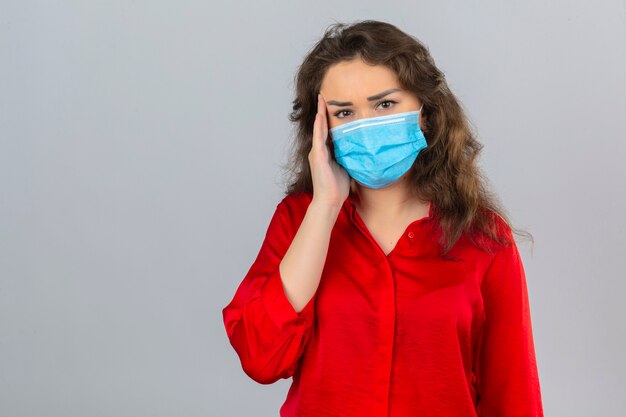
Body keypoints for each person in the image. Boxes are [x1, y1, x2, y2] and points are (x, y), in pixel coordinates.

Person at [222, 20, 544, 417]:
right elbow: (261, 357)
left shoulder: (483, 238)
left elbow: (512, 396)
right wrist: (324, 207)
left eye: (385, 104)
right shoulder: (298, 221)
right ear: (323, 128)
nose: (366, 125)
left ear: (424, 111)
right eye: (344, 112)